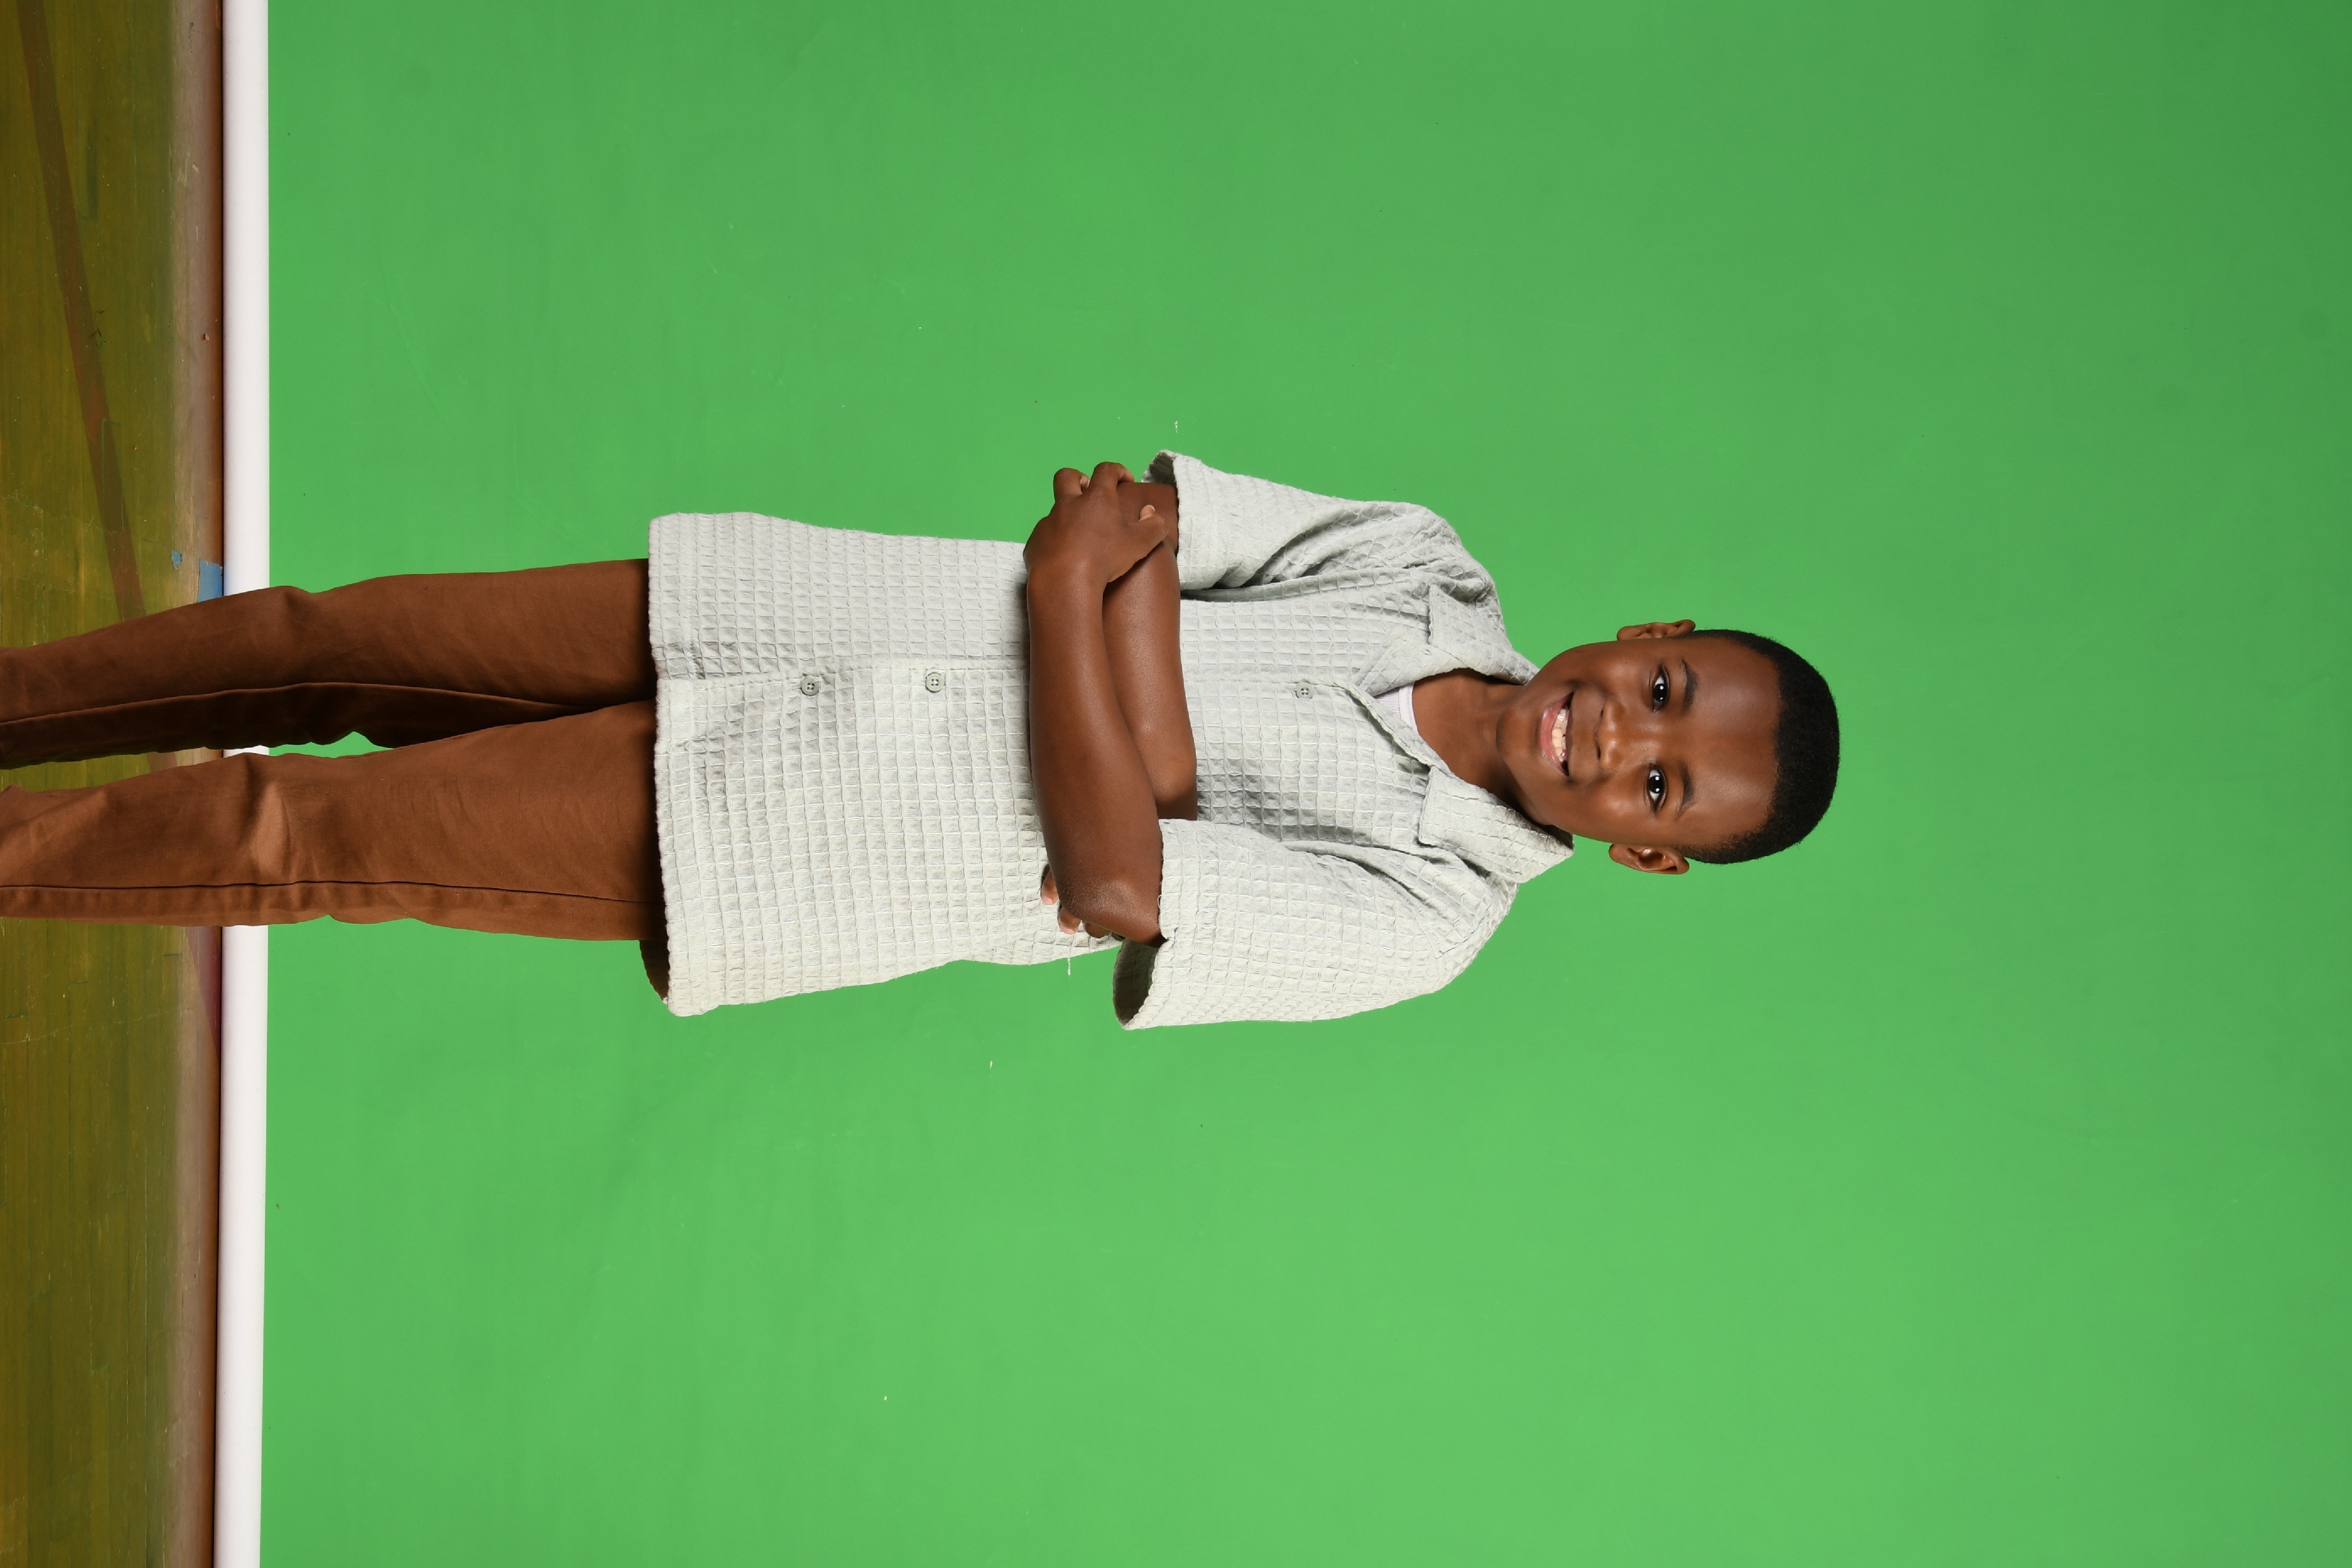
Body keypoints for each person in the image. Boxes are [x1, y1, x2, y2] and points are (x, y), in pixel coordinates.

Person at [0, 453, 1838, 1027]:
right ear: (1659, 631)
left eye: (1660, 786)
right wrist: (1139, 737)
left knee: (292, 836)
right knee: (327, 641)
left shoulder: (1428, 920)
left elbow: (1114, 883)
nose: (1621, 733)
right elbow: (1126, 515)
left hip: (781, 825)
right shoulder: (1422, 564)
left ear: (1646, 848)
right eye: (1668, 692)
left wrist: (1077, 605)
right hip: (778, 610)